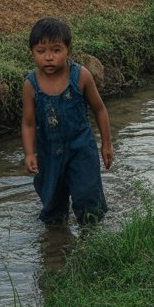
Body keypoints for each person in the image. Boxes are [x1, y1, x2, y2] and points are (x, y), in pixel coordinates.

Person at [22, 16, 113, 225]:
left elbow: (99, 109)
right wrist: (29, 153)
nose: (49, 57)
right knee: (52, 207)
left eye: (56, 50)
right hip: (49, 154)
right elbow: (28, 123)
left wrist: (106, 145)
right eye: (41, 51)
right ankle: (55, 246)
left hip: (82, 149)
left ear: (68, 51)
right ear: (32, 53)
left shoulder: (80, 76)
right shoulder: (30, 85)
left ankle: (91, 238)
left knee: (88, 197)